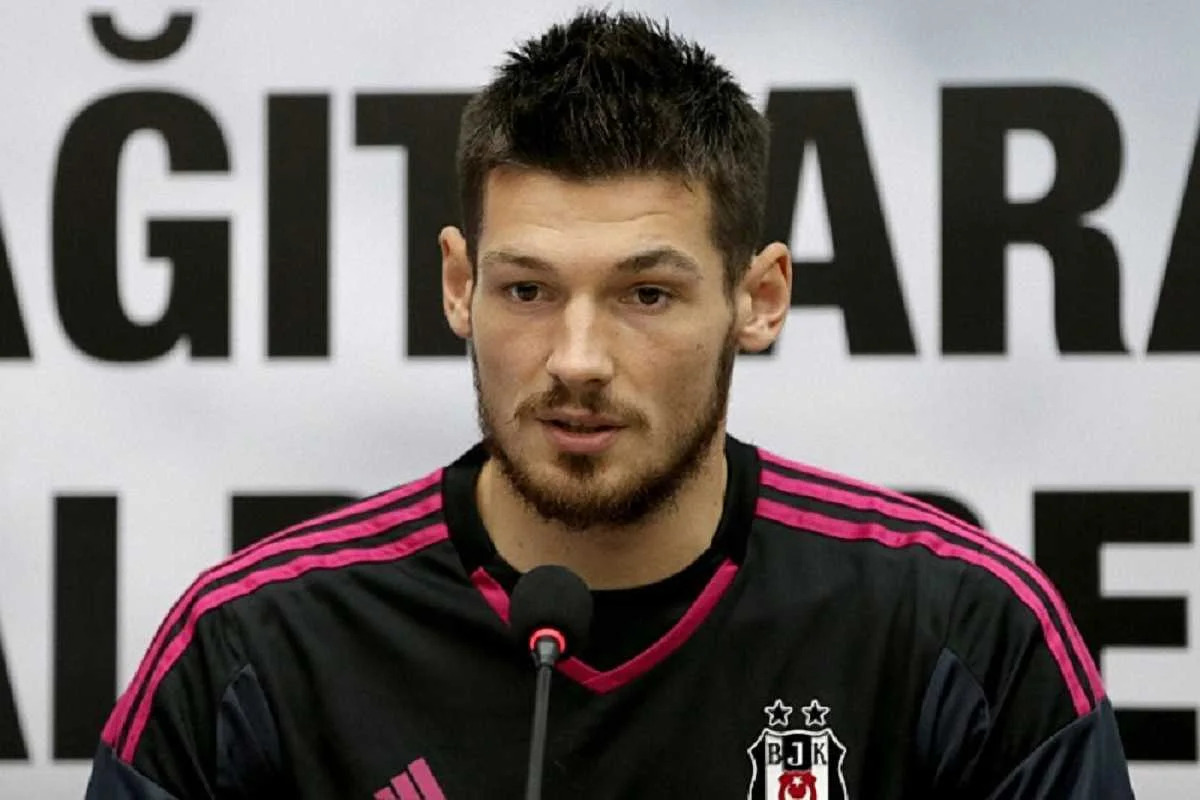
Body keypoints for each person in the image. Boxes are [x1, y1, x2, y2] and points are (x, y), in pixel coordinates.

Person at [85, 9, 1135, 798]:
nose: (578, 360)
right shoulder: (251, 648)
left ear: (759, 298)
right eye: (527, 291)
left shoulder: (964, 632)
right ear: (458, 285)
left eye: (646, 295)